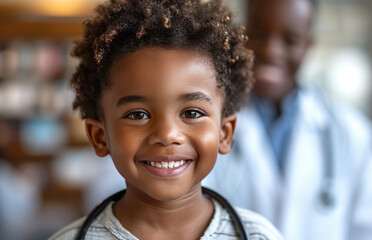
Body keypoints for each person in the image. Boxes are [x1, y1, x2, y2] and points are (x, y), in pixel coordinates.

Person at [48, 0, 284, 239]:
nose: (167, 134)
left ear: (225, 133)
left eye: (191, 113)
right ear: (99, 137)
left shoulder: (259, 236)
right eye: (138, 115)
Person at [203, 0, 372, 239]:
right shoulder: (209, 123)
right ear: (242, 34)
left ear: (309, 46)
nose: (271, 51)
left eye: (290, 40)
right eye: (258, 33)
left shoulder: (352, 133)